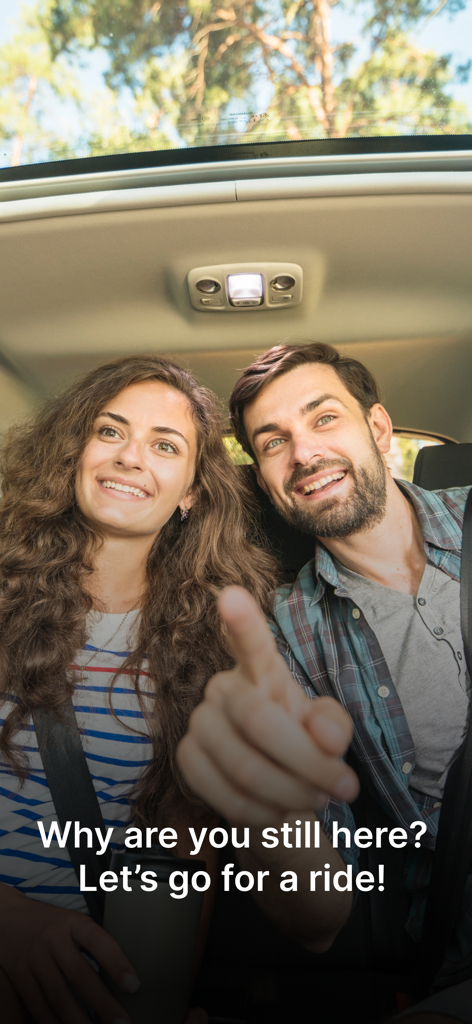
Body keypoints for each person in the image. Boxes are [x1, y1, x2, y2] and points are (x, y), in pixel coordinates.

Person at [178, 341, 472, 1024]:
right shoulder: (281, 637)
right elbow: (319, 921)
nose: (304, 454)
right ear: (262, 478)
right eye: (272, 442)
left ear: (377, 428)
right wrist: (266, 816)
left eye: (323, 418)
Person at [0, 353, 278, 1024]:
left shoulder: (211, 646)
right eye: (109, 431)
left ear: (189, 492)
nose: (130, 457)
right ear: (73, 454)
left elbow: (188, 859)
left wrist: (161, 995)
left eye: (164, 445)